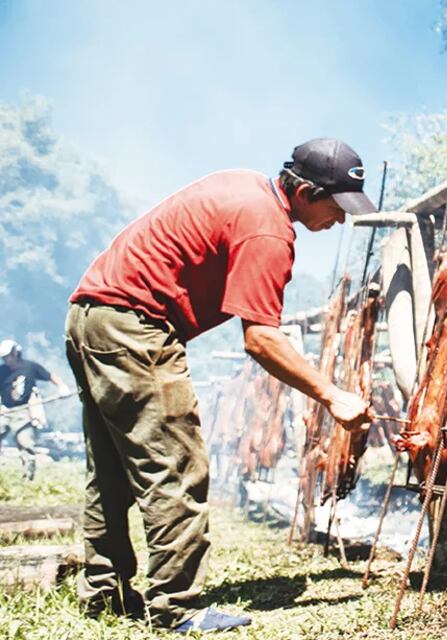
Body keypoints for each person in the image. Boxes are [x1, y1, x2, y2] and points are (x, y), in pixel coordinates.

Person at [64, 138, 376, 633]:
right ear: (305, 192)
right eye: (336, 207)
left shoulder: (245, 186)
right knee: (178, 467)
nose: (339, 220)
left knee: (112, 470)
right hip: (136, 328)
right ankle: (176, 608)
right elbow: (261, 341)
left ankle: (106, 594)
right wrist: (333, 395)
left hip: (92, 317)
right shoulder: (269, 231)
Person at [0, 339, 71, 480]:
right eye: (4, 358)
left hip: (24, 412)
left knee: (26, 443)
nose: (6, 360)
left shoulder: (30, 367)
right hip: (5, 411)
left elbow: (50, 376)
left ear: (15, 353)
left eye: (8, 356)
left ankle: (28, 478)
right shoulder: (2, 371)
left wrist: (62, 387)